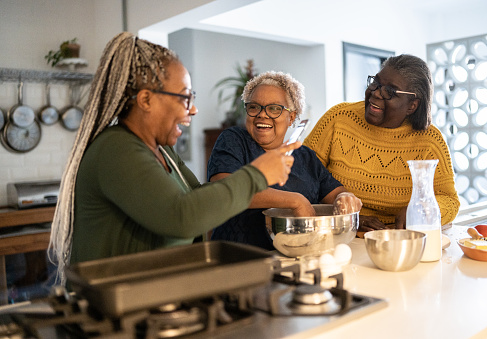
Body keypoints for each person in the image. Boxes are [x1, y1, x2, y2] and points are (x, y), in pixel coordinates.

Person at [49, 33, 299, 283]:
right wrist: (258, 174)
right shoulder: (116, 149)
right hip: (111, 305)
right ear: (146, 100)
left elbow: (198, 200)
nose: (193, 109)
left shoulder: (161, 150)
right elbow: (182, 217)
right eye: (185, 97)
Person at [303, 54, 460, 233]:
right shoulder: (338, 118)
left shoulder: (430, 141)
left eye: (390, 92)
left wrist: (417, 212)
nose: (376, 93)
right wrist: (351, 219)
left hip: (398, 241)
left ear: (412, 105)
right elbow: (303, 179)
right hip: (338, 235)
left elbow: (449, 200)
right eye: (375, 83)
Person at [207, 71, 361, 250]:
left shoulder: (305, 157)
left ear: (292, 117)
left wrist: (346, 197)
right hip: (238, 259)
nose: (262, 115)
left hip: (298, 257)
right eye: (254, 107)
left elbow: (336, 194)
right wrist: (295, 201)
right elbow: (223, 190)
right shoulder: (234, 140)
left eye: (274, 109)